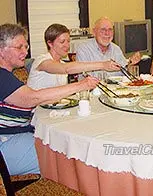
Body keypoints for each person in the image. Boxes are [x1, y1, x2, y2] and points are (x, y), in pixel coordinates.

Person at [0, 23, 98, 176]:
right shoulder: (1, 76)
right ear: (1, 50)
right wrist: (81, 85)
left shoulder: (7, 75)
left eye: (26, 47)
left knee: (66, 145)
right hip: (6, 143)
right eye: (19, 47)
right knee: (69, 159)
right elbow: (33, 98)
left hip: (19, 135)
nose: (25, 52)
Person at [27, 24, 120, 89]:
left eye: (68, 41)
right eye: (62, 42)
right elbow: (66, 69)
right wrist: (103, 65)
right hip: (37, 112)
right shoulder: (42, 61)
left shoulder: (62, 62)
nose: (67, 46)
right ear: (50, 43)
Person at [76, 17, 141, 78]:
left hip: (116, 89)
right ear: (94, 32)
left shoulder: (116, 49)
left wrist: (131, 64)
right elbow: (84, 77)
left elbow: (124, 73)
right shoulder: (83, 49)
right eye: (103, 30)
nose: (107, 33)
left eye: (110, 30)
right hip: (92, 89)